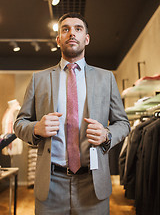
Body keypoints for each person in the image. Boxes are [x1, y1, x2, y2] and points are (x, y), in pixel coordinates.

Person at [14, 12, 130, 215]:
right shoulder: (38, 79)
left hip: (93, 183)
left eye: (78, 29)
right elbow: (19, 123)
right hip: (50, 185)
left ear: (86, 38)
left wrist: (106, 134)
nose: (71, 33)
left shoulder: (106, 78)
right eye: (65, 29)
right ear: (58, 39)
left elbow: (123, 123)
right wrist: (36, 129)